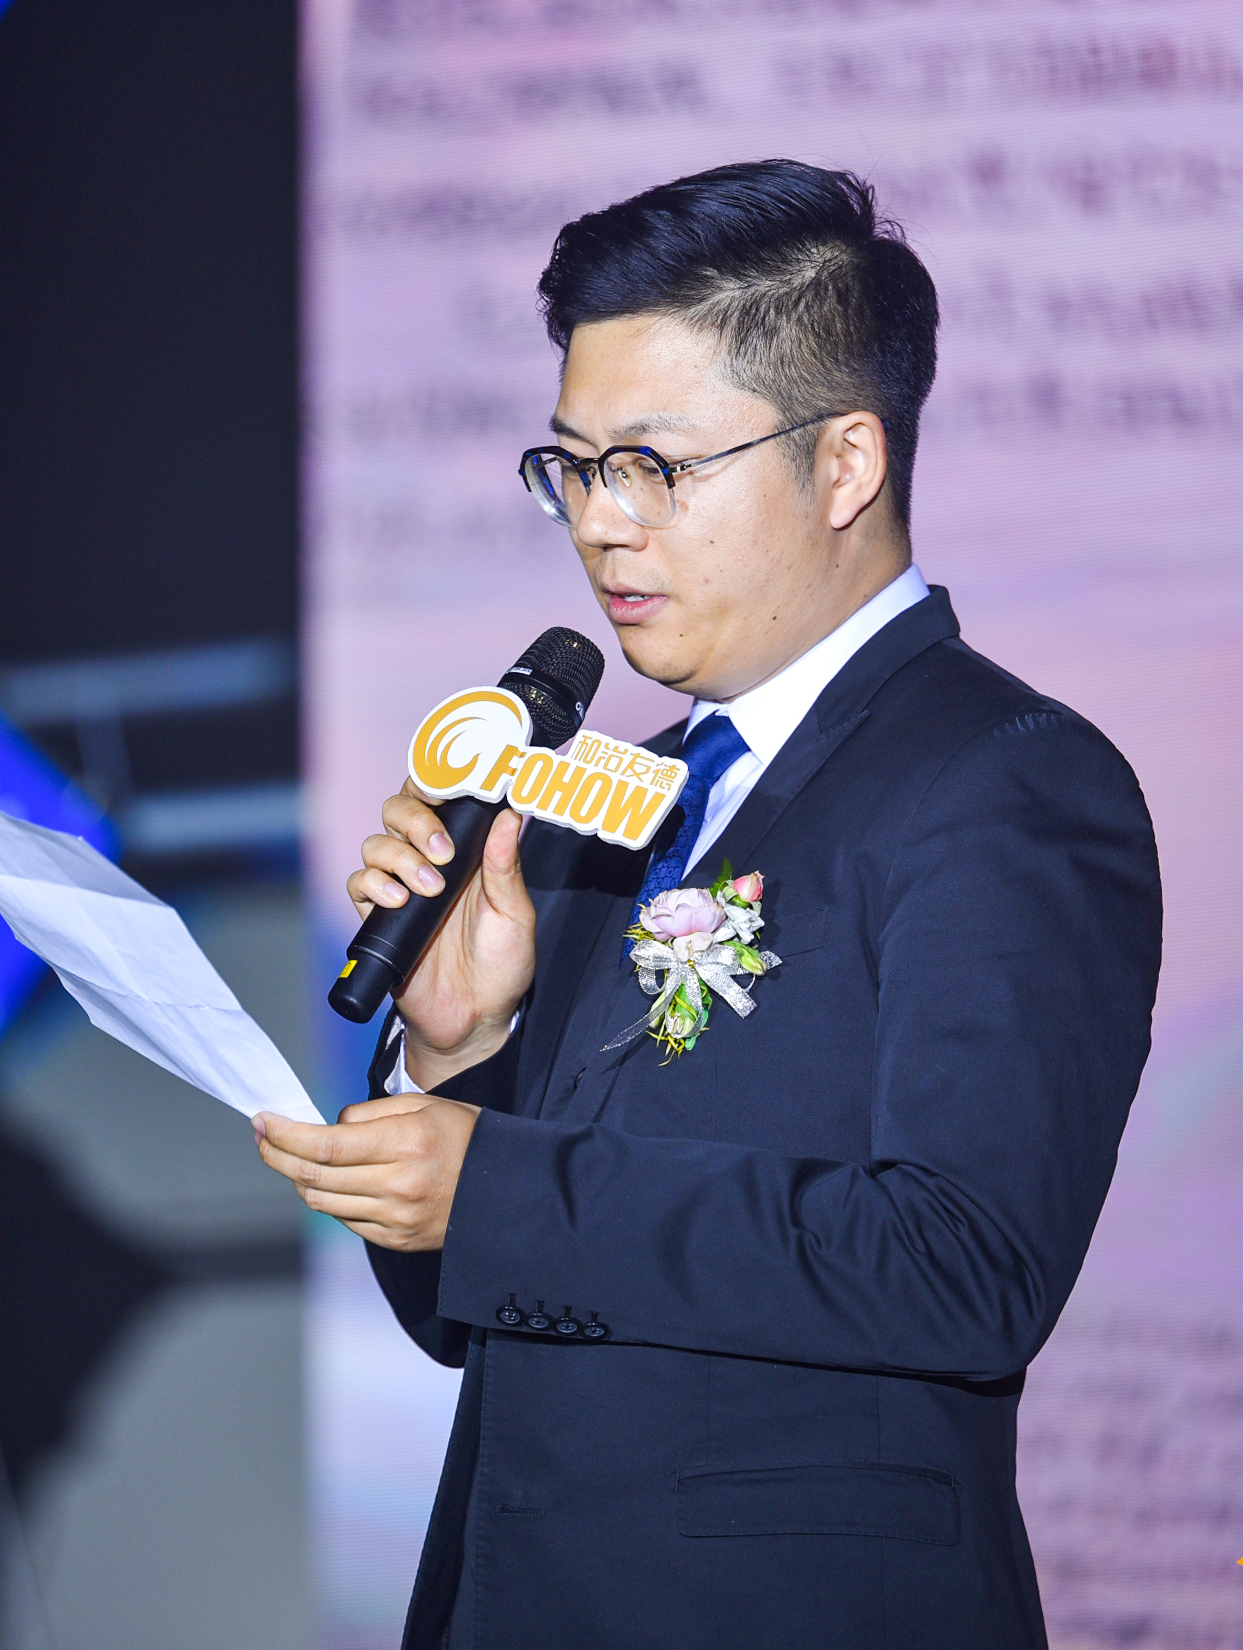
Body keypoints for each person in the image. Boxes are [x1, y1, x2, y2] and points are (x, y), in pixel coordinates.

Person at [254, 159, 1162, 1647]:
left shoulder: (1007, 779)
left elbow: (967, 1262)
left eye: (653, 467)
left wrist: (499, 1181)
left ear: (845, 464)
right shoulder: (598, 800)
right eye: (571, 467)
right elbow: (467, 1316)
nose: (602, 525)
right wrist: (460, 1052)